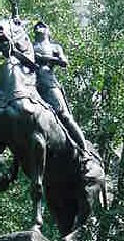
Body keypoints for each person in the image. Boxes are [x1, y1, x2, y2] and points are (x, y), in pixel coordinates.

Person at [33, 21, 88, 151]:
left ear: (48, 31)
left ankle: (85, 151)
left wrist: (45, 58)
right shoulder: (30, 46)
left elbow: (64, 62)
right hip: (31, 84)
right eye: (36, 27)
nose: (38, 28)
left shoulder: (55, 47)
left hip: (49, 83)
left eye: (42, 26)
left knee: (64, 116)